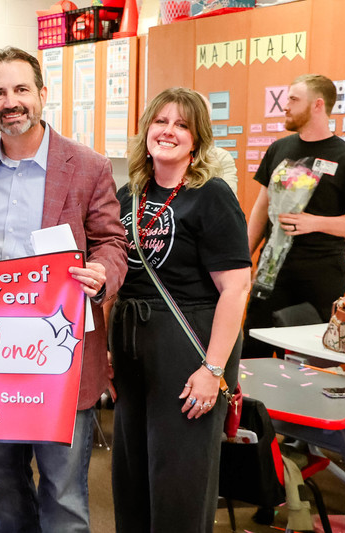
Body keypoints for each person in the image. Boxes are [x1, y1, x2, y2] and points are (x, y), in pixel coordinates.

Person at [0, 46, 127, 533]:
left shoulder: (88, 166)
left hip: (61, 355)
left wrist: (101, 271)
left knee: (64, 490)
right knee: (2, 482)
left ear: (42, 95)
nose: (10, 102)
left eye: (20, 90)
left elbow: (113, 242)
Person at [108, 87, 251, 533]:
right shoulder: (127, 193)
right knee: (132, 479)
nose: (168, 131)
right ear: (147, 129)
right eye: (161, 121)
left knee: (179, 481)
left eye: (182, 125)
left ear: (197, 139)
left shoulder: (212, 196)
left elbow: (236, 287)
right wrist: (106, 353)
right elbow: (115, 277)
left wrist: (213, 369)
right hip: (131, 350)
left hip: (187, 350)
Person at [242, 74, 345, 358]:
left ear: (317, 105)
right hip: (271, 272)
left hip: (319, 277)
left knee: (309, 359)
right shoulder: (279, 148)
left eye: (293, 99)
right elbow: (260, 208)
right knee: (254, 350)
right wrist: (243, 258)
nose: (286, 106)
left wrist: (313, 222)